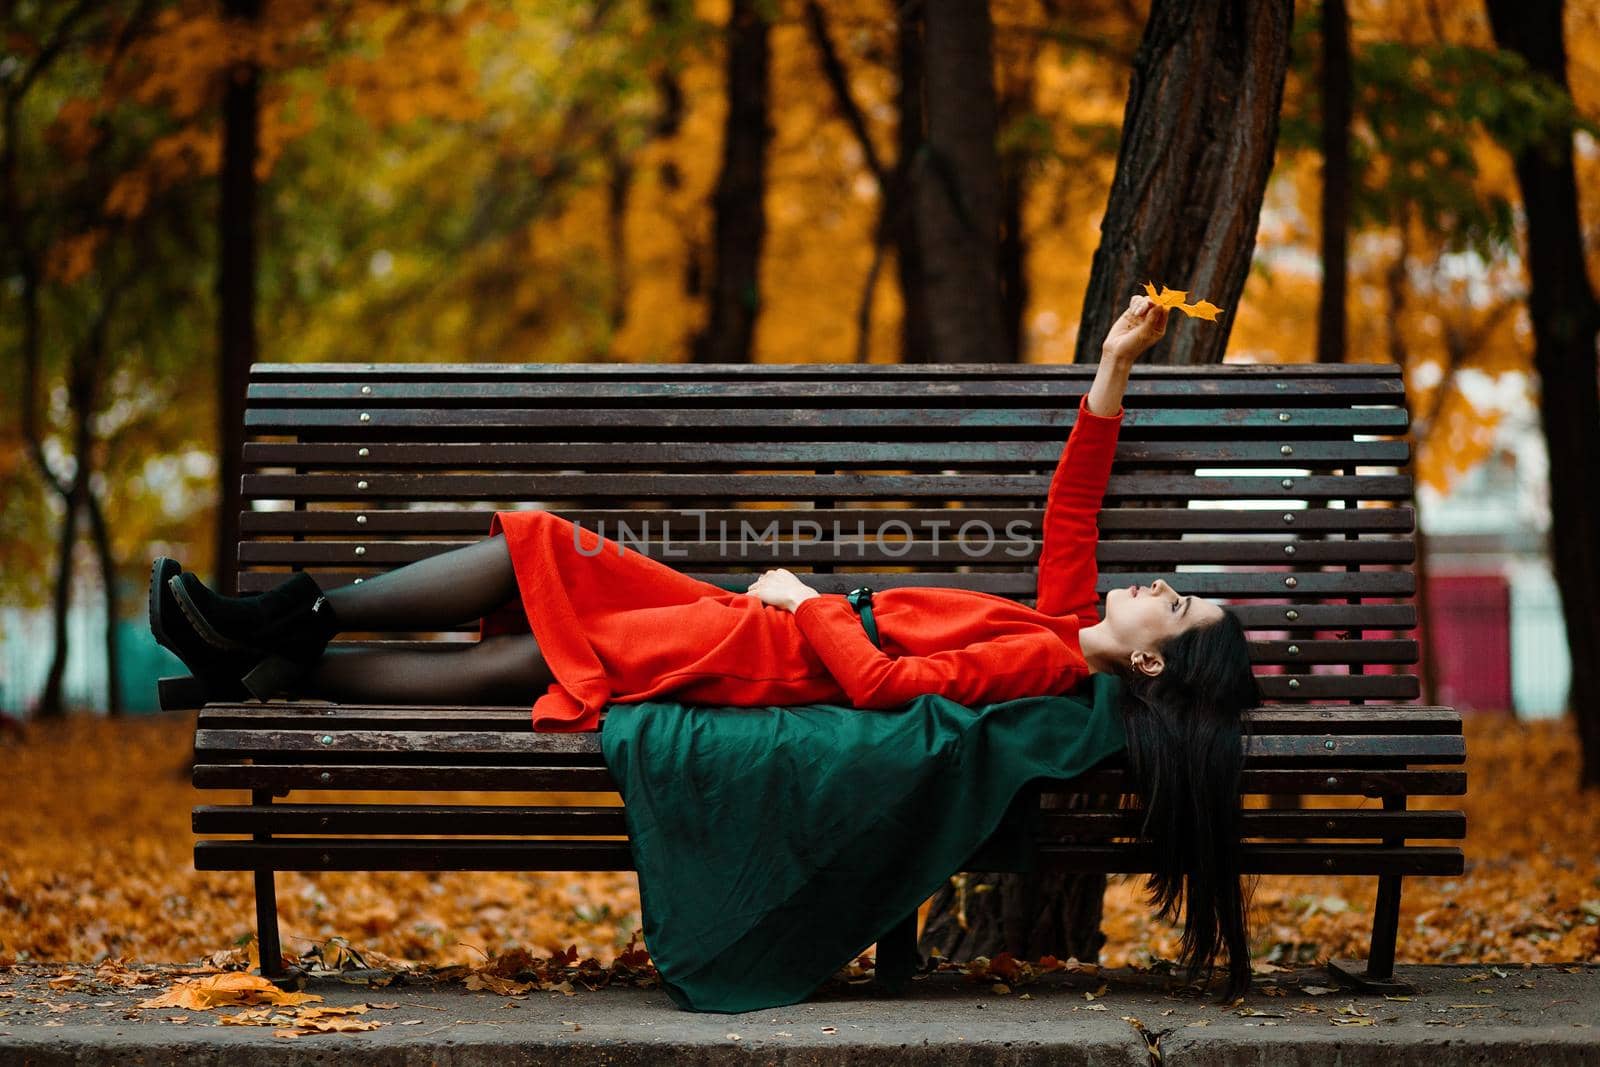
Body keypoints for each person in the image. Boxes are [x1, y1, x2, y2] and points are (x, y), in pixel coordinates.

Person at [150, 292, 1260, 1001]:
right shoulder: (1065, 623)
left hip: (764, 650)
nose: (1158, 584)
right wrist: (1113, 365)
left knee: (539, 587)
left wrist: (807, 597)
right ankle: (276, 644)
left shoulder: (1050, 666)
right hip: (755, 629)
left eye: (1173, 605)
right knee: (536, 597)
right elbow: (1072, 512)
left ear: (1150, 662)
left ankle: (282, 630)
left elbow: (879, 685)